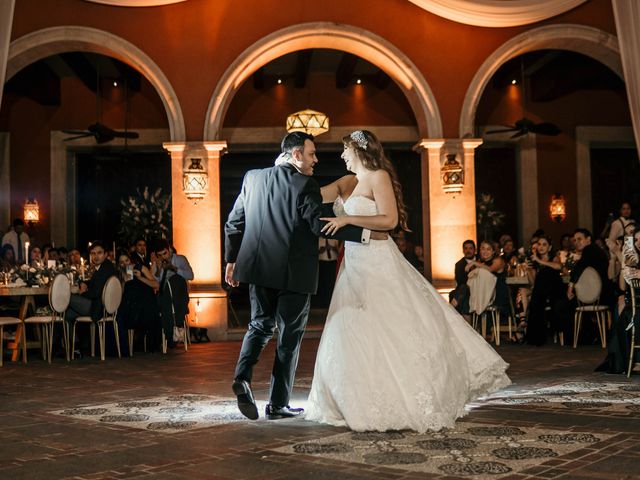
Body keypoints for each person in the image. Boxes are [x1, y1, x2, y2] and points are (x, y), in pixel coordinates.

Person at [305, 130, 510, 433]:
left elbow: (389, 221)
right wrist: (288, 174)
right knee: (351, 329)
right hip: (353, 266)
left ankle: (404, 398)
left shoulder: (378, 177)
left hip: (378, 261)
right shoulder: (347, 182)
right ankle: (356, 400)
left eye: (345, 150)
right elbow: (311, 194)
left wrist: (349, 219)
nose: (342, 156)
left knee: (390, 326)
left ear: (360, 151)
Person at [224, 131, 381, 421]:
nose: (315, 160)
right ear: (296, 155)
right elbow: (317, 225)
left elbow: (234, 222)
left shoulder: (252, 178)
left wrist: (231, 261)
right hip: (293, 274)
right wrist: (366, 234)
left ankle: (242, 377)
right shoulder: (304, 184)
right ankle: (277, 404)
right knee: (289, 338)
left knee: (258, 326)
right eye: (311, 154)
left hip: (259, 271)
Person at [64, 241, 117, 354]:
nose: (96, 256)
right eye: (93, 253)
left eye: (99, 253)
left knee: (66, 297)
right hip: (99, 305)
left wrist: (82, 293)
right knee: (67, 314)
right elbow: (95, 283)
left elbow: (96, 292)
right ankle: (75, 348)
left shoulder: (105, 269)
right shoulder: (103, 267)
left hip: (98, 307)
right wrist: (85, 283)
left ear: (106, 254)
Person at [152, 239, 192, 349]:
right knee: (165, 300)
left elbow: (190, 275)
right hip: (164, 296)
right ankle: (171, 334)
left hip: (179, 296)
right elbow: (156, 282)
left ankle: (171, 333)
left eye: (164, 253)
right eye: (159, 255)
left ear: (169, 249)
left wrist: (174, 269)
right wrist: (159, 269)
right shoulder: (157, 263)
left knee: (175, 280)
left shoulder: (180, 259)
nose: (163, 257)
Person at [526, 236, 566, 345]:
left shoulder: (554, 257)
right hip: (541, 293)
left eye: (544, 244)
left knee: (545, 275)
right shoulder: (534, 262)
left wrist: (540, 261)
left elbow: (558, 267)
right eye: (539, 244)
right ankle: (536, 338)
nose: (541, 247)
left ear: (549, 247)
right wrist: (528, 270)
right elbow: (533, 283)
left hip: (555, 291)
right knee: (536, 297)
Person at [449, 239, 476, 317]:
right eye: (466, 248)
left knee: (461, 294)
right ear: (463, 250)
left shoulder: (481, 261)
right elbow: (460, 281)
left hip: (479, 289)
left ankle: (451, 310)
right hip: (466, 289)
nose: (468, 251)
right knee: (462, 295)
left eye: (470, 248)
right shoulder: (459, 264)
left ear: (475, 250)